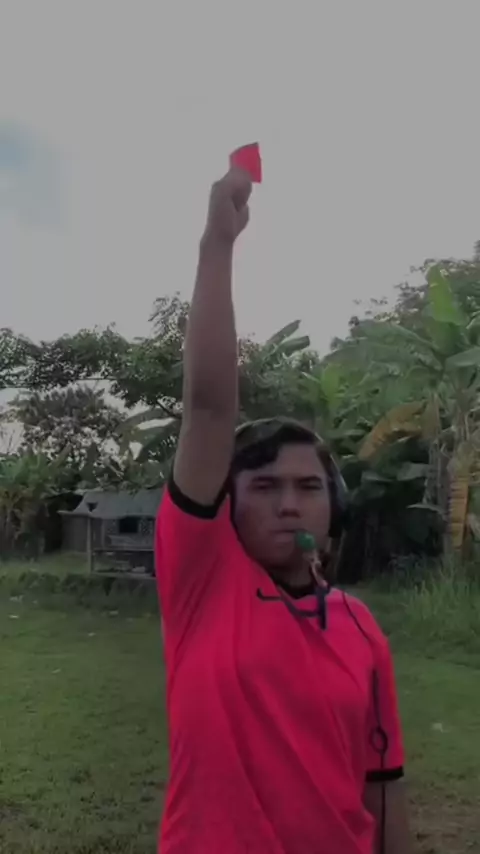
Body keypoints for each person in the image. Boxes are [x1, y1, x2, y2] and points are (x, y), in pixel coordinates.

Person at [155, 167, 412, 853]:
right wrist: (218, 243)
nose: (290, 504)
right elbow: (209, 408)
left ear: (335, 505)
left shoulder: (361, 629)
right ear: (227, 505)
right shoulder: (203, 584)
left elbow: (383, 785)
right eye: (265, 487)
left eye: (309, 487)